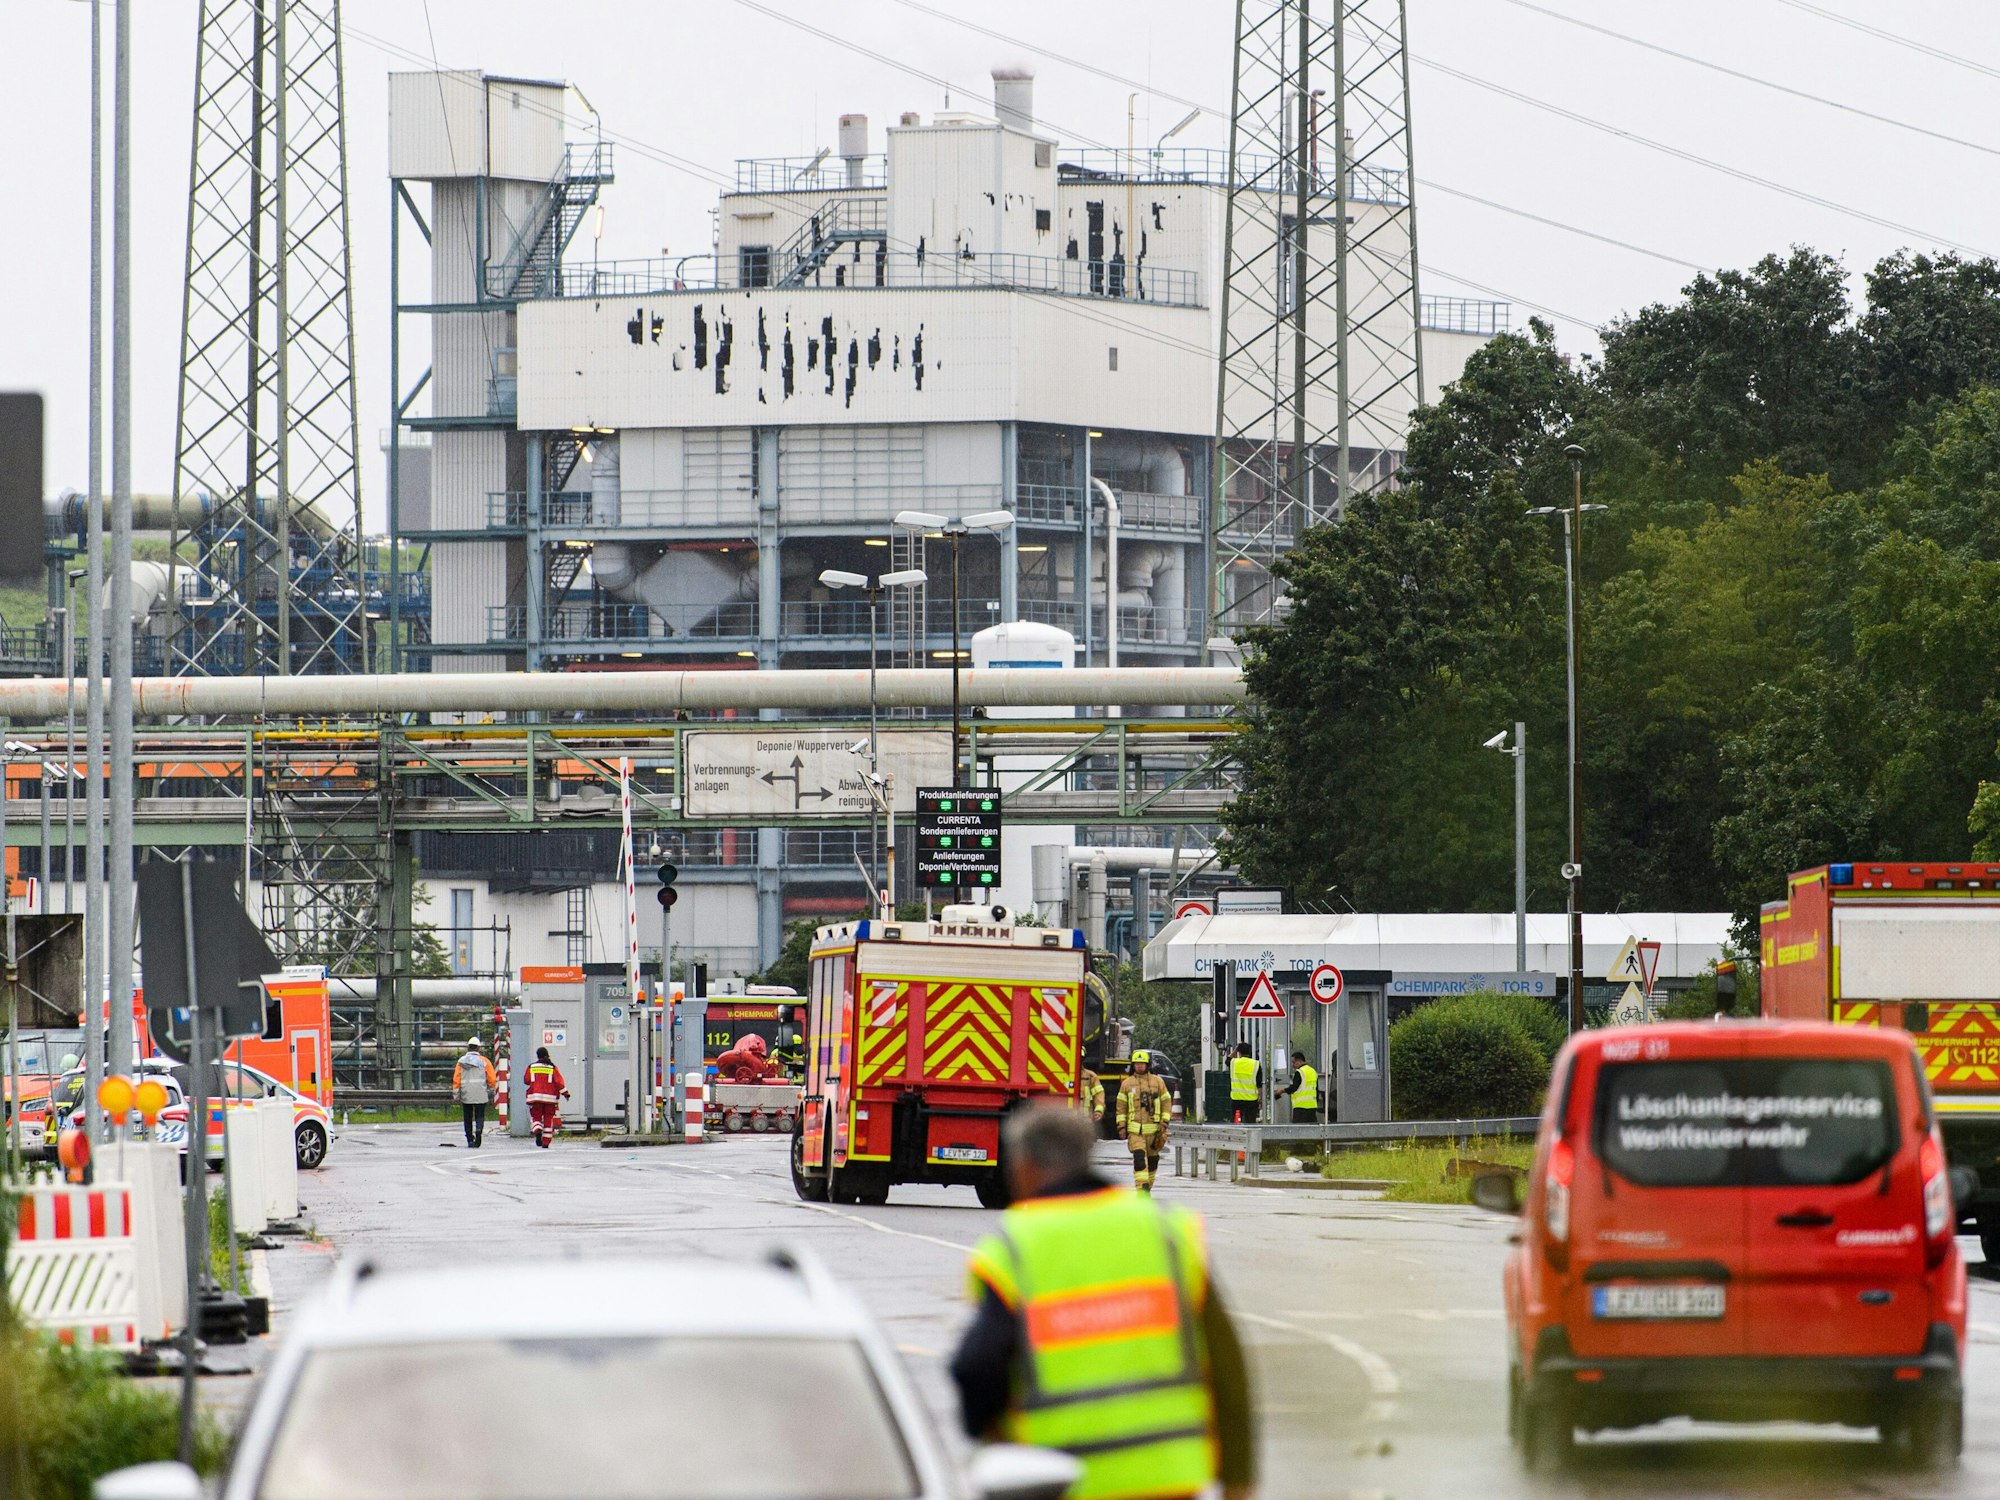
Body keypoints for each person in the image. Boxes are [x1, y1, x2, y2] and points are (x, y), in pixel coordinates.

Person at [950, 1105, 1256, 1500]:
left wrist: (993, 1447)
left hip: (1060, 1483)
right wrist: (1238, 1477)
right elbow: (1225, 1364)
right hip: (1170, 1481)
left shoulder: (1014, 1249)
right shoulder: (1164, 1231)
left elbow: (977, 1368)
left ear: (1023, 1168)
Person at [1115, 1050, 1172, 1193]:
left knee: (1152, 1162)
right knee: (1139, 1160)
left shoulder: (1158, 1082)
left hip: (1154, 1132)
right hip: (1136, 1132)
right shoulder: (1127, 1084)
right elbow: (1121, 1107)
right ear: (1133, 1065)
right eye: (1137, 1064)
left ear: (1148, 1065)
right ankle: (1141, 1190)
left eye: (1142, 1063)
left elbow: (1166, 1102)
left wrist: (1164, 1122)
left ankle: (1148, 1187)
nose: (1139, 1066)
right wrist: (1121, 1127)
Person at [452, 1037, 499, 1149]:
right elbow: (492, 1078)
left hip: (466, 1093)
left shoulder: (461, 1061)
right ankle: (478, 1130)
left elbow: (456, 1078)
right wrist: (492, 1090)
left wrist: (456, 1094)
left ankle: (469, 1139)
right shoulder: (485, 1061)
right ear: (478, 1048)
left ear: (468, 1047)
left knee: (467, 1116)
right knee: (480, 1114)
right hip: (480, 1092)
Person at [524, 1046, 569, 1149]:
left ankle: (537, 1130)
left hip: (535, 1097)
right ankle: (546, 1143)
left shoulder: (531, 1067)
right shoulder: (552, 1068)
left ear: (537, 1056)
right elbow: (559, 1083)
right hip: (550, 1099)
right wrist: (566, 1093)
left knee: (536, 1117)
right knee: (548, 1119)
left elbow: (526, 1080)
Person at [1285, 1049, 1320, 1126]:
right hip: (1312, 1106)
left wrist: (1282, 1090)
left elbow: (1294, 1088)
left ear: (1299, 1061)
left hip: (1300, 1107)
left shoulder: (1299, 1072)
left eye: (1293, 1062)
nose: (1293, 1065)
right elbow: (1316, 1089)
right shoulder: (1313, 1071)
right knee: (1312, 1129)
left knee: (1299, 1130)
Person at [1228, 1043, 1261, 1124]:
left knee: (1236, 1122)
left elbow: (1227, 1059)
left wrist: (1235, 1050)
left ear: (1239, 1052)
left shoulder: (1234, 1062)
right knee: (1250, 1123)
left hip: (1236, 1099)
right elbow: (1259, 1084)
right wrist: (1260, 1098)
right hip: (1251, 1100)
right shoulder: (1256, 1064)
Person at [1074, 1065, 1106, 1131]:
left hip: (1085, 1121)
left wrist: (1098, 1111)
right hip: (1065, 1122)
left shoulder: (1090, 1076)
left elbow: (1099, 1095)